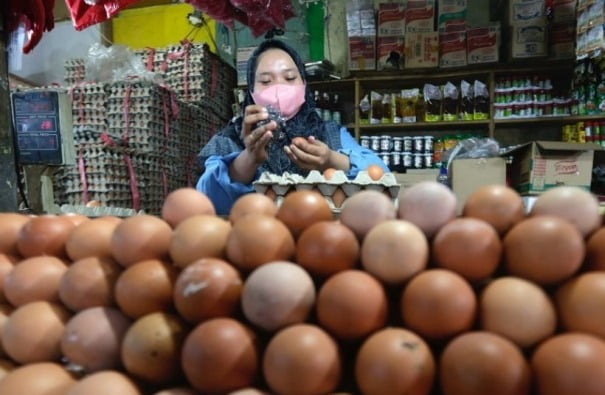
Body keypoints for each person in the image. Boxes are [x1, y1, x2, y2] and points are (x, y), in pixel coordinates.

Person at [196, 39, 389, 215]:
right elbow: (205, 200)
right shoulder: (231, 137)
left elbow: (380, 175)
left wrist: (330, 159)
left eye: (289, 78)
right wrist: (248, 159)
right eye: (265, 81)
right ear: (251, 91)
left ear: (304, 85)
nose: (279, 88)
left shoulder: (330, 133)